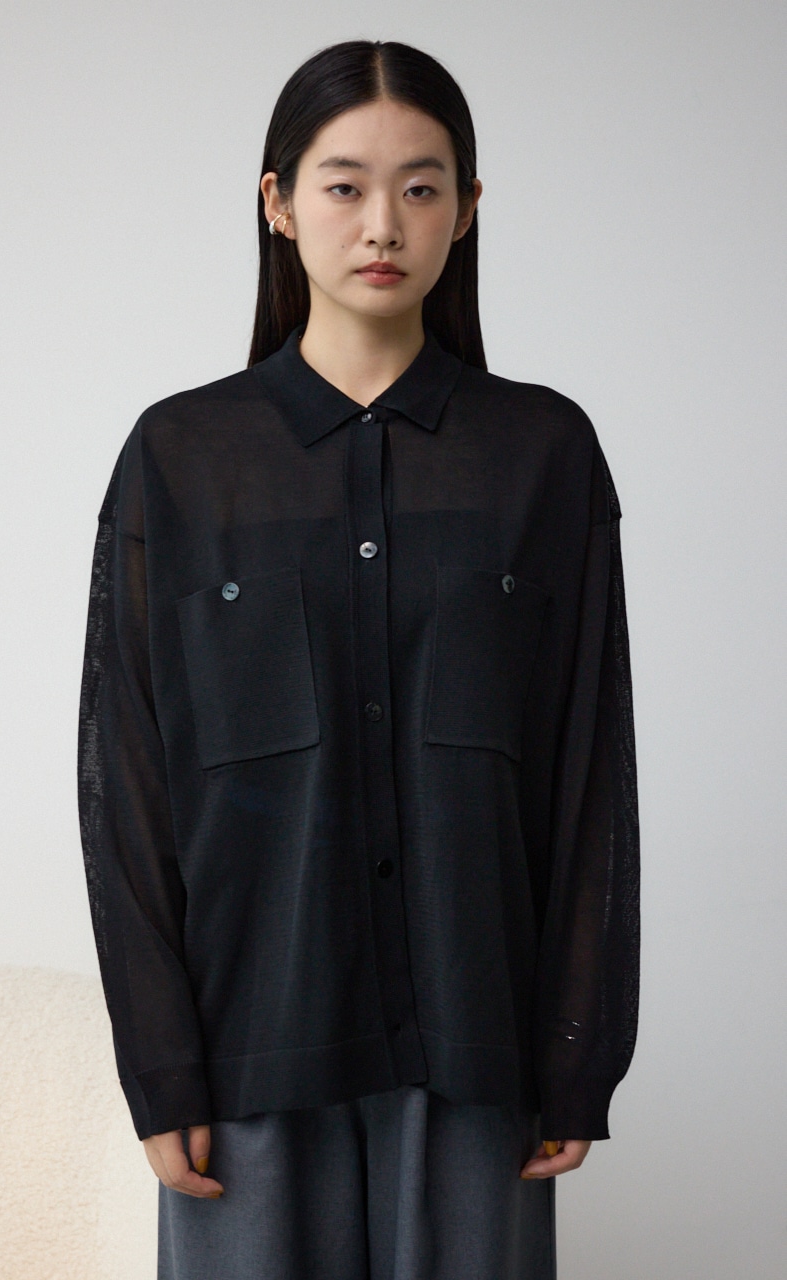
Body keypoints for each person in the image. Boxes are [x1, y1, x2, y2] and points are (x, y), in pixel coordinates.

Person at [77, 38, 640, 1280]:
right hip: (247, 1057)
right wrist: (160, 1062)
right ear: (276, 202)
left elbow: (585, 775)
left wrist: (575, 1050)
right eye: (343, 184)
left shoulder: (541, 455)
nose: (383, 222)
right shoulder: (181, 460)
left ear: (467, 209)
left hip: (478, 1049)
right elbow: (129, 787)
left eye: (421, 186)